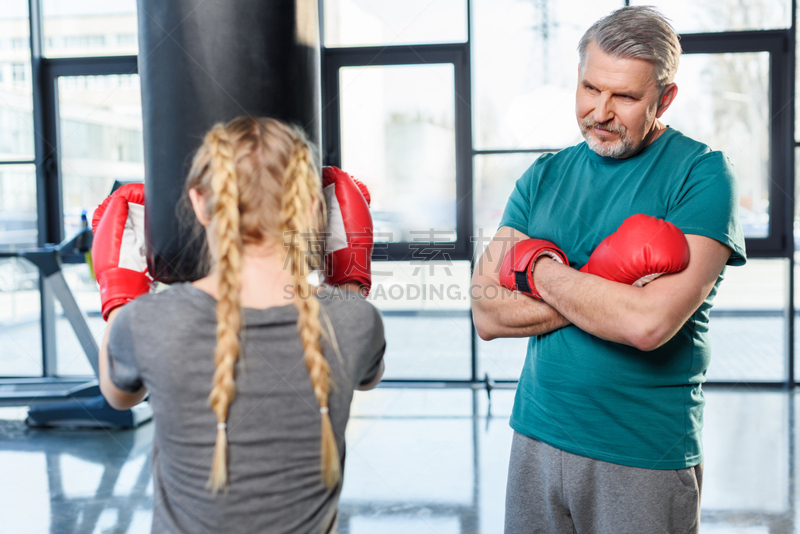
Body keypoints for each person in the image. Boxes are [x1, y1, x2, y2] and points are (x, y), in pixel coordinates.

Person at [471, 7, 746, 534]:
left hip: (642, 452)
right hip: (535, 435)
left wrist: (537, 269)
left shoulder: (703, 173)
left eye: (625, 97)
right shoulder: (544, 175)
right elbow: (486, 310)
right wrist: (609, 286)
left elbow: (647, 325)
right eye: (590, 88)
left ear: (664, 98)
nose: (600, 111)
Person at [93, 116, 385, 534]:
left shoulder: (148, 322)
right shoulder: (355, 320)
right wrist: (350, 279)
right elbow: (367, 377)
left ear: (199, 203)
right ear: (311, 207)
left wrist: (120, 293)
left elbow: (118, 395)